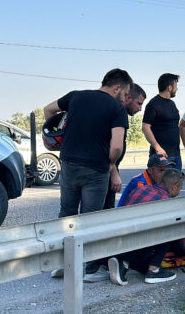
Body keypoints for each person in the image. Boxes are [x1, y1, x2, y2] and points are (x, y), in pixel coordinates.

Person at [43, 68, 132, 278]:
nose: (125, 97)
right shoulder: (116, 109)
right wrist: (111, 165)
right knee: (92, 220)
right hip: (96, 169)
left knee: (66, 213)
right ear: (117, 87)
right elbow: (117, 147)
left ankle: (62, 263)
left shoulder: (76, 96)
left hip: (69, 164)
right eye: (125, 92)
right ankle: (89, 268)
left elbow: (48, 110)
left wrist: (57, 139)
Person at [108, 169, 185, 286]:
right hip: (141, 247)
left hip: (121, 241)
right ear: (174, 187)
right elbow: (181, 238)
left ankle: (124, 261)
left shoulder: (139, 189)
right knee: (169, 231)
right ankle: (154, 271)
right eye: (180, 188)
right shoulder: (167, 204)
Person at [142, 73, 182, 170]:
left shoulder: (172, 104)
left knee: (176, 185)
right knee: (160, 185)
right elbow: (145, 128)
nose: (177, 89)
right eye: (176, 86)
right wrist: (158, 148)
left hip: (176, 155)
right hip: (161, 157)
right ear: (169, 87)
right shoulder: (153, 104)